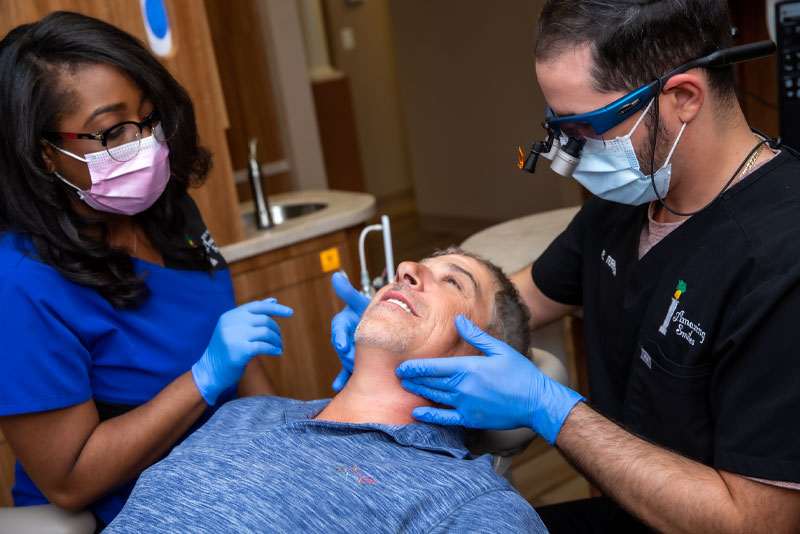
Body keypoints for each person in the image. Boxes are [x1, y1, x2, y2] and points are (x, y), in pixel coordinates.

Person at [332, 1, 800, 532]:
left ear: (683, 97)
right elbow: (516, 298)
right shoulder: (628, 203)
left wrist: (551, 409)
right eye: (558, 126)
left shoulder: (780, 262)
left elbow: (757, 522)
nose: (567, 154)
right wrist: (400, 318)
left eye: (584, 127)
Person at [0, 11, 293, 526]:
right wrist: (202, 378)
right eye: (113, 131)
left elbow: (236, 349)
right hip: (144, 509)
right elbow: (69, 479)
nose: (146, 146)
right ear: (43, 153)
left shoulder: (168, 211)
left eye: (151, 118)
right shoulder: (21, 283)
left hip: (241, 474)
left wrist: (293, 440)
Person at [103, 249, 546, 533]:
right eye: (420, 264)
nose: (407, 269)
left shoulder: (465, 504)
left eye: (453, 281)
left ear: (487, 363)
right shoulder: (247, 412)